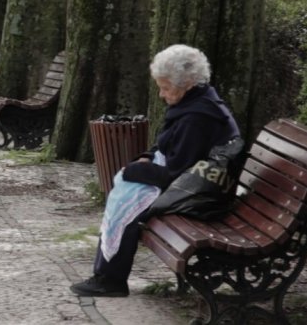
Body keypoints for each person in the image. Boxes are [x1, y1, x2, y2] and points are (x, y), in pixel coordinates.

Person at [70, 44, 240, 297]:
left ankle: (110, 280)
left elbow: (178, 175)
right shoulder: (195, 102)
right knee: (127, 193)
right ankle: (105, 276)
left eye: (166, 88)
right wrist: (146, 158)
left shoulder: (198, 117)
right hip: (193, 184)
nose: (161, 94)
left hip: (202, 195)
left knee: (130, 204)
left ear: (187, 83)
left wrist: (132, 171)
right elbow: (168, 146)